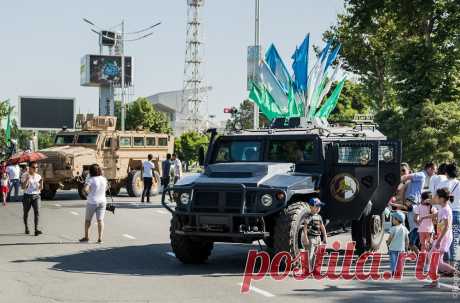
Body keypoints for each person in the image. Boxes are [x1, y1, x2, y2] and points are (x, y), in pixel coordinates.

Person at [423, 188, 456, 288]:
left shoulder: (445, 209)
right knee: (435, 259)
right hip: (442, 237)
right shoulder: (443, 207)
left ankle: (454, 273)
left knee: (433, 257)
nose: (434, 198)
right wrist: (425, 217)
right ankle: (435, 281)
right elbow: (437, 214)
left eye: (436, 196)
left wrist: (439, 240)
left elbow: (446, 226)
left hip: (444, 238)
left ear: (441, 198)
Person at [437, 163, 460, 263]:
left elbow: (435, 198)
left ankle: (446, 266)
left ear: (446, 172)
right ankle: (453, 265)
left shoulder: (442, 183)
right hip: (457, 214)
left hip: (444, 214)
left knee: (444, 240)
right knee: (454, 241)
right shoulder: (459, 183)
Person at [79, 164, 107, 243]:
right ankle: (100, 238)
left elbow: (85, 189)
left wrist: (87, 194)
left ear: (90, 171)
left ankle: (86, 237)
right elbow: (106, 188)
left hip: (92, 202)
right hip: (102, 201)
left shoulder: (91, 179)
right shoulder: (103, 179)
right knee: (100, 220)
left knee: (88, 220)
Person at [302, 198, 327, 269]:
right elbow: (305, 227)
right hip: (311, 238)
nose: (318, 208)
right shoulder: (309, 217)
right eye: (316, 206)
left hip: (318, 238)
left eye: (319, 206)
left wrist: (325, 236)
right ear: (311, 207)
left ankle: (315, 269)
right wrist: (305, 237)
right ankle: (307, 269)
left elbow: (322, 227)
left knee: (317, 254)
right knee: (310, 254)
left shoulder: (319, 217)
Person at [21, 162, 43, 236]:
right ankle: (26, 227)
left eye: (36, 167)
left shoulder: (38, 176)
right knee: (26, 213)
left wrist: (42, 182)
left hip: (36, 196)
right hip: (27, 196)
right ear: (29, 168)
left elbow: (40, 188)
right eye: (34, 167)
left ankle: (36, 229)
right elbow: (23, 187)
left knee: (37, 212)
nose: (35, 169)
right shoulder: (24, 175)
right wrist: (27, 179)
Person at [386, 211, 409, 275]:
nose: (392, 220)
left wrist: (388, 243)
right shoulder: (404, 228)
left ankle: (394, 271)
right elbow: (407, 239)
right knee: (400, 261)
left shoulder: (393, 228)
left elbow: (390, 237)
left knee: (393, 261)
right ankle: (400, 271)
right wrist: (406, 248)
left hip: (393, 248)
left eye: (393, 219)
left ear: (397, 220)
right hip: (401, 249)